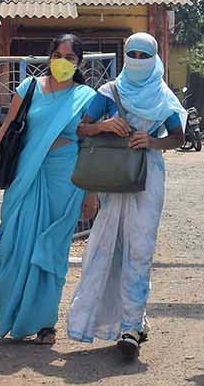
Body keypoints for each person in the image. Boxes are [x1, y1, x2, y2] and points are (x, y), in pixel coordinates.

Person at [67, 33, 186, 359]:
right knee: (107, 246)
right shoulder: (109, 92)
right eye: (131, 53)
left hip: (148, 179)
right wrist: (105, 126)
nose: (136, 60)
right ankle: (124, 320)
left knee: (140, 248)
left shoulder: (163, 97)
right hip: (112, 178)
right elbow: (81, 129)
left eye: (143, 55)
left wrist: (152, 142)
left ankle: (131, 326)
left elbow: (179, 137)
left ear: (155, 58)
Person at [0, 34, 98, 345]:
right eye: (59, 55)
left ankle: (45, 324)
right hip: (24, 178)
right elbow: (5, 129)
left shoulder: (86, 96)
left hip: (64, 182)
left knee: (51, 252)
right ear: (49, 56)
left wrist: (90, 192)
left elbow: (89, 144)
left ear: (78, 63)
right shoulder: (29, 87)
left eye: (71, 58)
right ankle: (13, 317)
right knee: (13, 248)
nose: (64, 62)